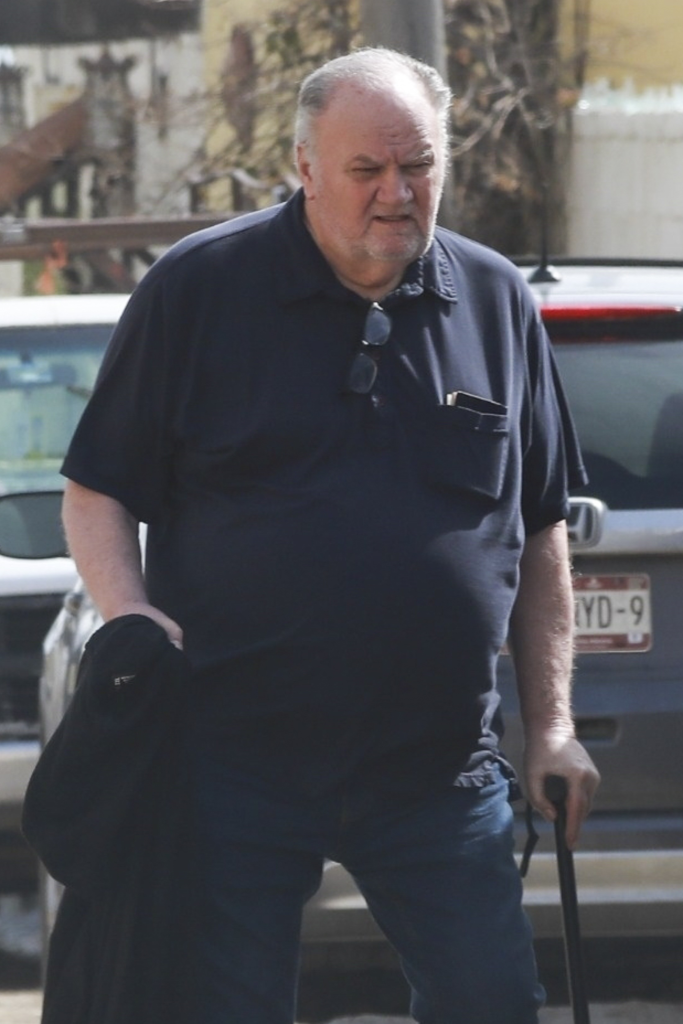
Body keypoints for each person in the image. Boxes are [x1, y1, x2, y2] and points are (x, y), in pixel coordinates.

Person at [61, 47, 600, 1024]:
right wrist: (131, 616)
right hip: (234, 760)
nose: (397, 192)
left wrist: (552, 725)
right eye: (367, 170)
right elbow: (97, 488)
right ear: (306, 166)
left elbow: (538, 534)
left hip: (436, 767)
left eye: (419, 165)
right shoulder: (197, 290)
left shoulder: (494, 301)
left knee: (490, 1002)